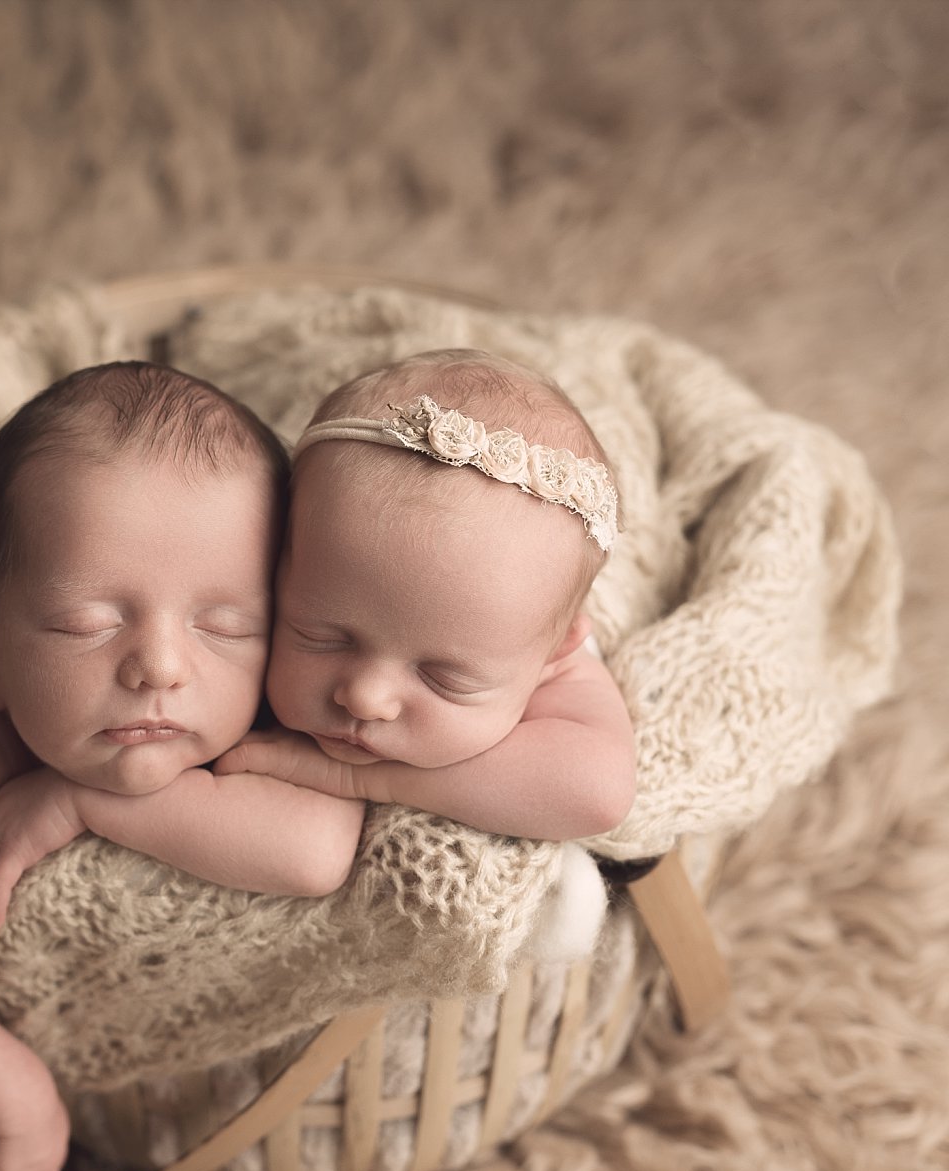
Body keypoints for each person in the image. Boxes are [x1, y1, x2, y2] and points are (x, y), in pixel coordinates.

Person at [0, 361, 365, 1171]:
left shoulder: (261, 701)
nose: (160, 666)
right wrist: (13, 1095)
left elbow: (316, 851)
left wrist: (84, 797)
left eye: (225, 622)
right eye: (85, 623)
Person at [212, 348, 638, 858]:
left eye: (443, 678)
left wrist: (357, 778)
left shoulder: (544, 648)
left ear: (556, 653)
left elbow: (598, 795)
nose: (366, 698)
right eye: (321, 637)